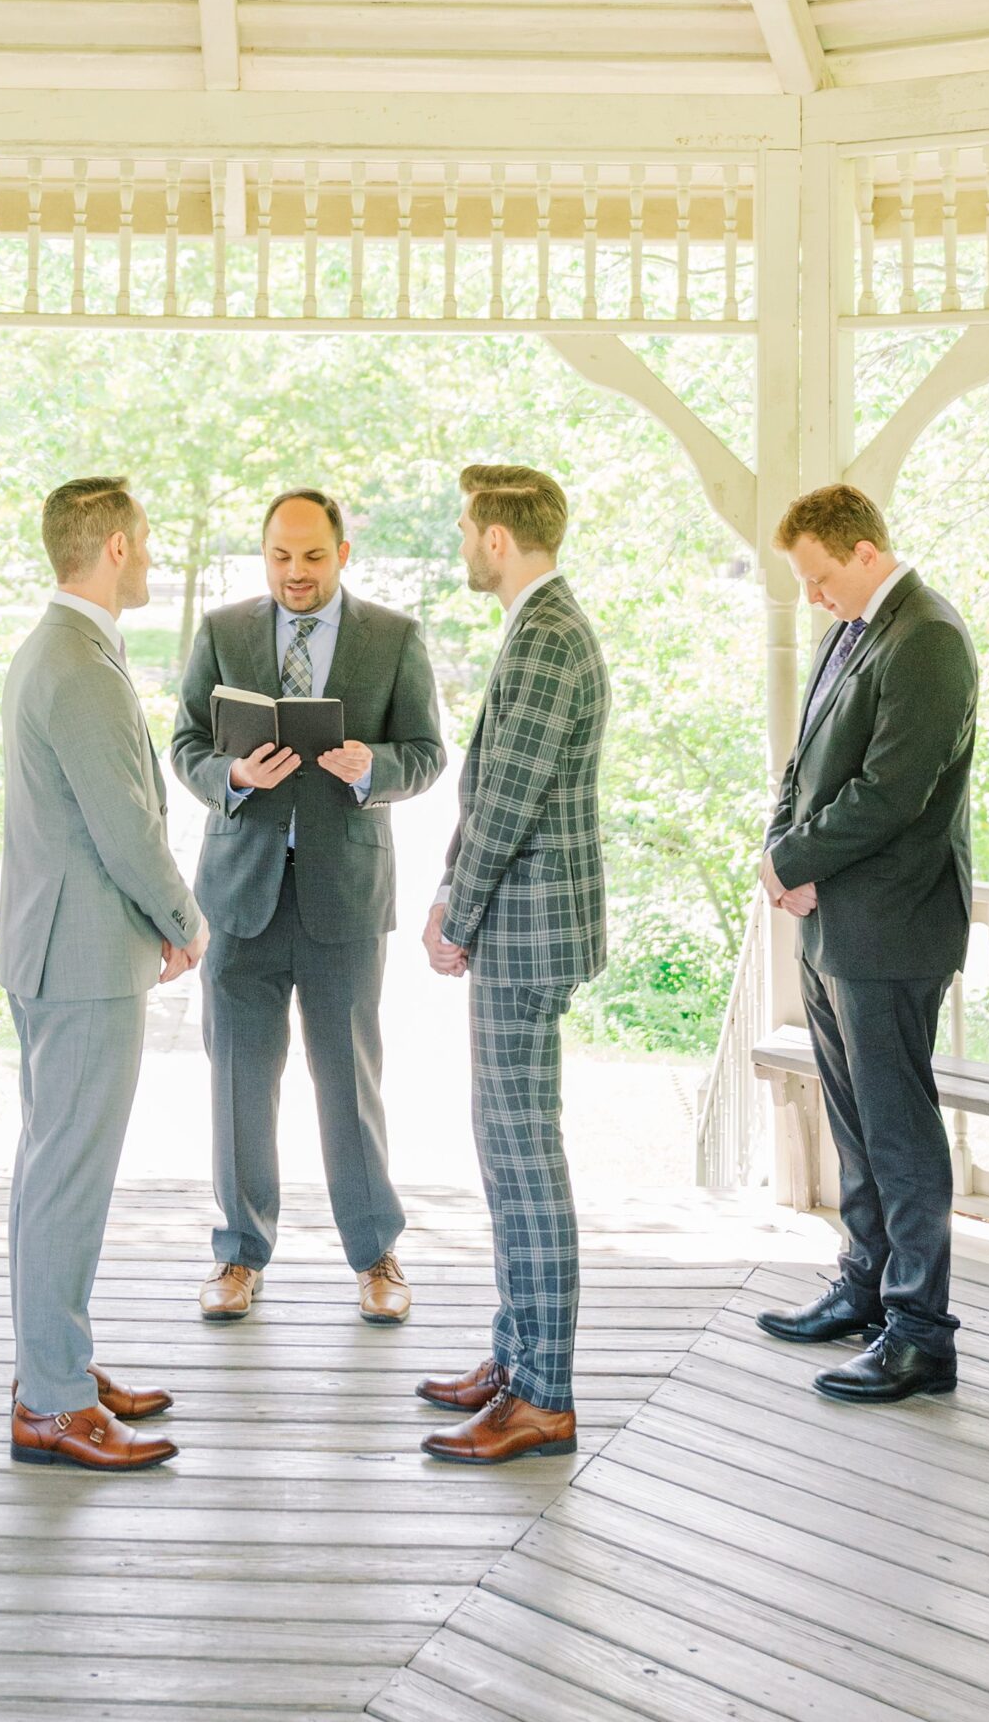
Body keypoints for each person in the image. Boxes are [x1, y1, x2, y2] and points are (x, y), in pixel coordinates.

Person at [171, 489, 444, 1324]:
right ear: (263, 553)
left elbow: (427, 753)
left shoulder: (394, 638)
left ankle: (375, 1258)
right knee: (239, 1086)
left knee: (347, 1084)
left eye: (313, 557)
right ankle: (238, 1258)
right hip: (239, 896)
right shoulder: (220, 630)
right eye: (281, 556)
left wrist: (372, 767)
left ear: (343, 553)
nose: (296, 573)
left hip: (344, 900)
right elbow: (184, 743)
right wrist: (232, 778)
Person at [0, 476, 207, 1473]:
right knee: (65, 1179)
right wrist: (182, 916)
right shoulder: (76, 662)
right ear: (115, 545)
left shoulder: (63, 646)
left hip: (64, 946)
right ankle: (51, 1400)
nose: (155, 556)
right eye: (149, 540)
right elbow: (120, 820)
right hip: (78, 957)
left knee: (51, 1169)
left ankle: (57, 1367)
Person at [754, 483, 976, 1403]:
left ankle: (922, 1333)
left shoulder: (925, 635)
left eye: (817, 578)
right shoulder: (852, 627)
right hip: (829, 918)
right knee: (854, 1122)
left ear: (864, 552)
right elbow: (805, 764)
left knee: (898, 1130)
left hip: (891, 923)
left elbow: (893, 792)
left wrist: (796, 857)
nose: (812, 597)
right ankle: (865, 1290)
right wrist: (779, 853)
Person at [416, 463, 608, 1466]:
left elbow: (507, 801)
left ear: (498, 538)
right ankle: (512, 1354)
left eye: (463, 528)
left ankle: (541, 1392)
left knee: (522, 1158)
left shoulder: (543, 636)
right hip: (530, 922)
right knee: (508, 1148)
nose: (459, 542)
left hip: (526, 928)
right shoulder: (543, 625)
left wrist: (456, 907)